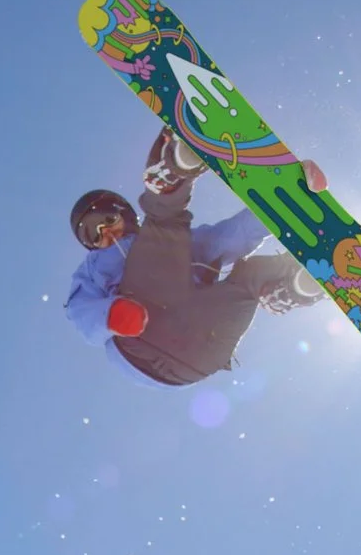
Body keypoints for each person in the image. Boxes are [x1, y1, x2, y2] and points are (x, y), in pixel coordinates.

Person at [65, 131, 331, 388]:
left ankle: (294, 284)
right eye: (92, 233)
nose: (105, 232)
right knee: (164, 221)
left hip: (198, 352)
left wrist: (280, 204)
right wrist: (112, 315)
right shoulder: (92, 268)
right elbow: (81, 311)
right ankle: (173, 171)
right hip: (139, 341)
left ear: (125, 214)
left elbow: (232, 237)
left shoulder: (182, 245)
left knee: (249, 277)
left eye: (108, 219)